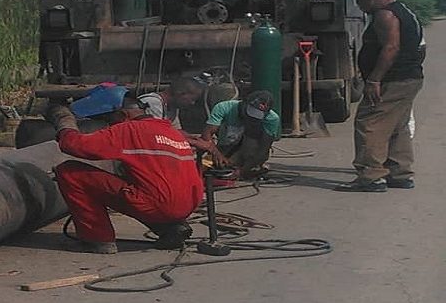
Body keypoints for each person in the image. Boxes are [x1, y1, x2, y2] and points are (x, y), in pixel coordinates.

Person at [46, 87, 204, 254]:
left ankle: (97, 239)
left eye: (109, 121)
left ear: (122, 115)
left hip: (158, 204)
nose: (109, 126)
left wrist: (64, 121)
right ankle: (170, 227)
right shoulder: (172, 132)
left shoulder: (128, 129)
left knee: (70, 172)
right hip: (186, 206)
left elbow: (74, 146)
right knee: (141, 182)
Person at [335, 0, 424, 192]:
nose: (360, 7)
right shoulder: (404, 11)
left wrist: (374, 80)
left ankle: (371, 175)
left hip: (391, 81)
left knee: (369, 123)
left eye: (360, 1)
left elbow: (391, 47)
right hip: (408, 78)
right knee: (397, 125)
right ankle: (399, 172)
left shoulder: (385, 15)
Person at [200, 90, 281, 179]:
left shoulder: (272, 119)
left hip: (249, 149)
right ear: (243, 103)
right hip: (225, 146)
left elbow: (263, 149)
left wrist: (242, 171)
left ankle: (249, 166)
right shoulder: (224, 107)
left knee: (252, 154)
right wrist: (216, 153)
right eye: (251, 112)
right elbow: (207, 133)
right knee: (205, 165)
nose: (251, 118)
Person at [138, 77, 206, 129]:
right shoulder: (153, 103)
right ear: (180, 93)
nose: (192, 103)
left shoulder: (173, 106)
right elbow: (158, 133)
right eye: (192, 99)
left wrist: (196, 139)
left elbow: (176, 130)